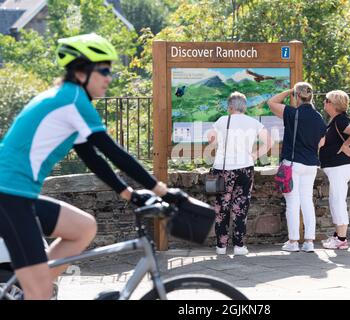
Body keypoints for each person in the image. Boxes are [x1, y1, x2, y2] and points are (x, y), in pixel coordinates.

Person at [0, 33, 186, 300]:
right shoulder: (73, 100)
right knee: (39, 292)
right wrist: (163, 191)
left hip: (18, 195)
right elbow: (113, 151)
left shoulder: (68, 99)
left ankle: (31, 287)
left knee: (84, 228)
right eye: (104, 70)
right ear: (80, 71)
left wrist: (128, 194)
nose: (109, 77)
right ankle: (34, 289)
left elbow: (92, 157)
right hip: (8, 197)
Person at [207, 92, 272, 256]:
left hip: (223, 168)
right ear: (244, 107)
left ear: (230, 107)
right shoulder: (253, 122)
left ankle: (221, 247)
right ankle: (239, 246)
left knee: (221, 207)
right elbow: (269, 141)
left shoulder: (222, 120)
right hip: (245, 167)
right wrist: (255, 155)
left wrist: (219, 143)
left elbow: (210, 138)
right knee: (240, 207)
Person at [268, 82, 326, 253]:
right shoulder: (318, 117)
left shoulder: (293, 113)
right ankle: (309, 241)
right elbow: (322, 142)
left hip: (293, 163)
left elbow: (271, 103)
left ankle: (293, 241)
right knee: (307, 201)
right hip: (311, 165)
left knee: (293, 202)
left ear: (297, 96)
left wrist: (289, 91)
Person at [319, 90, 350, 250]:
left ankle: (342, 239)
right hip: (337, 167)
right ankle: (338, 236)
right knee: (335, 200)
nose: (324, 102)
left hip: (339, 167)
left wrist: (345, 145)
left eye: (326, 100)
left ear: (332, 104)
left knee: (338, 201)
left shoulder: (340, 121)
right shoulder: (335, 120)